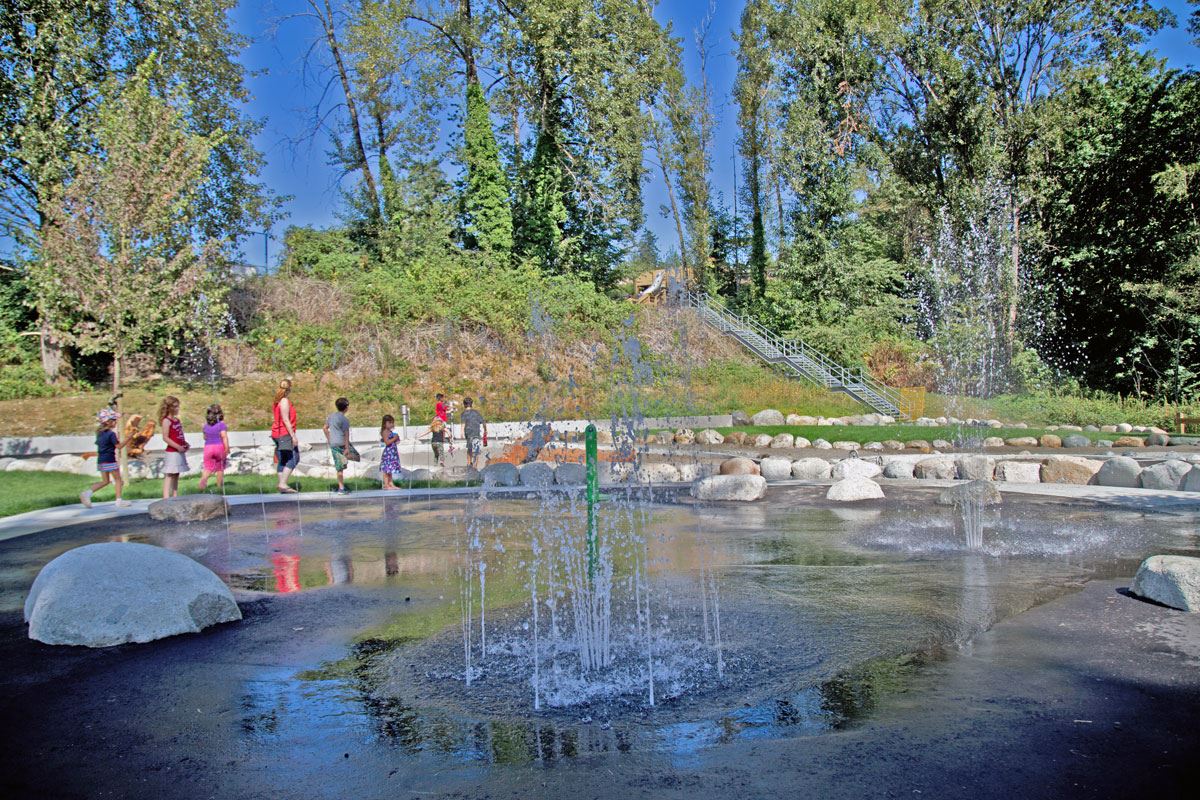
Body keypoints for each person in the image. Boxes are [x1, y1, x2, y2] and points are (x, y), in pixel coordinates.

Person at [81, 408, 131, 508]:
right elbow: (119, 446)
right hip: (110, 460)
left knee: (105, 481)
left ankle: (87, 493)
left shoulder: (99, 433)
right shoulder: (111, 434)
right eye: (114, 420)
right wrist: (129, 437)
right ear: (108, 422)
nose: (116, 422)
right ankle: (119, 501)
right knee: (118, 480)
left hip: (101, 461)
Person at [158, 395, 189, 499]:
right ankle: (166, 497)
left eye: (178, 406)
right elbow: (165, 437)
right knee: (170, 474)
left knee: (176, 473)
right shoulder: (166, 421)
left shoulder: (176, 420)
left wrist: (184, 443)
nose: (177, 408)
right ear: (169, 407)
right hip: (172, 452)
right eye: (175, 406)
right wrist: (177, 447)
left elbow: (178, 434)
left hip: (179, 451)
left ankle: (175, 495)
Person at [271, 378, 299, 493]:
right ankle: (282, 483)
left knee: (283, 459)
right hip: (284, 434)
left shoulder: (277, 401)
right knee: (294, 457)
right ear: (289, 389)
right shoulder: (284, 401)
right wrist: (293, 436)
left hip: (277, 433)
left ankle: (282, 485)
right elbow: (286, 420)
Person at [197, 404, 229, 492]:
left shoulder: (205, 426)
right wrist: (227, 448)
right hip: (219, 447)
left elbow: (205, 437)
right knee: (220, 468)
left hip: (208, 448)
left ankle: (202, 485)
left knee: (208, 468)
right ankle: (219, 487)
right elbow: (224, 436)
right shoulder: (221, 425)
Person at [324, 397, 352, 495]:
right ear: (346, 408)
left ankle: (341, 486)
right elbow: (346, 434)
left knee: (340, 465)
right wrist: (347, 448)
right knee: (340, 467)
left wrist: (329, 439)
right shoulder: (344, 419)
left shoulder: (331, 416)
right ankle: (341, 488)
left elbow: (325, 428)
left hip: (333, 444)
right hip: (341, 444)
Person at [460, 397, 487, 470]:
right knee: (476, 449)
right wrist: (485, 430)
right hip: (476, 433)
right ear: (471, 404)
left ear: (464, 404)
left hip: (468, 433)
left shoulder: (464, 413)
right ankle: (475, 467)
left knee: (469, 449)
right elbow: (483, 422)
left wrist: (461, 432)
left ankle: (469, 464)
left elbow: (463, 423)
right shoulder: (476, 412)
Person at [379, 414, 400, 489]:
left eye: (392, 423)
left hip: (392, 453)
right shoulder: (384, 432)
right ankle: (386, 484)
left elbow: (396, 442)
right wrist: (394, 438)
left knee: (390, 469)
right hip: (388, 453)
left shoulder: (390, 432)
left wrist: (397, 439)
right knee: (386, 469)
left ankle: (391, 483)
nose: (392, 424)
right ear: (384, 424)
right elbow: (387, 442)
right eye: (390, 423)